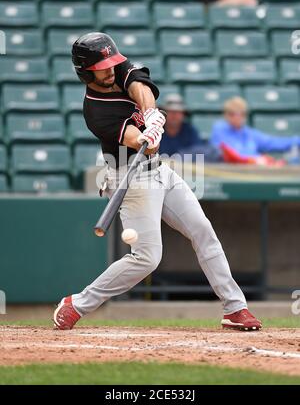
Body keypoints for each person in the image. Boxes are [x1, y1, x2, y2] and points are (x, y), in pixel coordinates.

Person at [53, 32, 261, 332]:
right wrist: (146, 138)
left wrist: (150, 115)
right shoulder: (96, 111)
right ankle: (78, 304)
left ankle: (234, 308)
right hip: (129, 176)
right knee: (147, 258)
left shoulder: (118, 68)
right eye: (102, 67)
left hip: (158, 171)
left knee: (203, 230)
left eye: (112, 64)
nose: (111, 70)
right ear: (85, 71)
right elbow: (138, 142)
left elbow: (139, 86)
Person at [211, 97, 300, 164]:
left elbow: (273, 142)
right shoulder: (219, 130)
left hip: (254, 173)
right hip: (230, 174)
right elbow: (235, 156)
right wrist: (258, 159)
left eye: (241, 114)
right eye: (232, 114)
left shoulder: (249, 133)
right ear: (225, 115)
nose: (237, 117)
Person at [159, 93, 221, 162]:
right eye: (170, 112)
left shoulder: (190, 131)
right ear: (163, 114)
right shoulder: (156, 130)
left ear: (183, 114)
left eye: (178, 112)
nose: (174, 115)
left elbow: (198, 154)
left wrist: (179, 157)